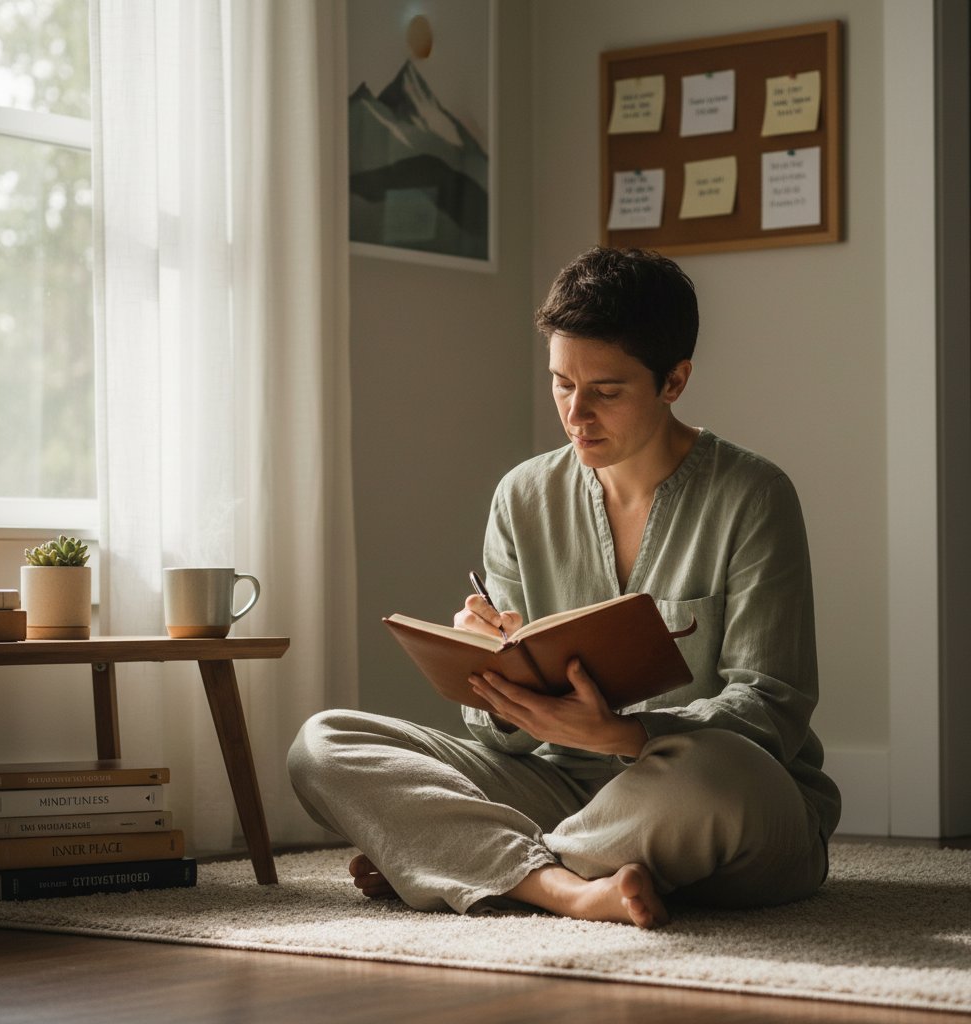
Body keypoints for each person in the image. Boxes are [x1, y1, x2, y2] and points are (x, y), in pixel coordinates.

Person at [287, 246, 841, 928]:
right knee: (323, 743)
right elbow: (504, 744)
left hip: (704, 794)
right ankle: (566, 887)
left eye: (606, 392)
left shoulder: (754, 495)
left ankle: (475, 862)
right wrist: (490, 674)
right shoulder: (522, 495)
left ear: (674, 380)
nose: (577, 414)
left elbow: (771, 708)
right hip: (559, 786)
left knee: (722, 775)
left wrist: (623, 733)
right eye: (560, 384)